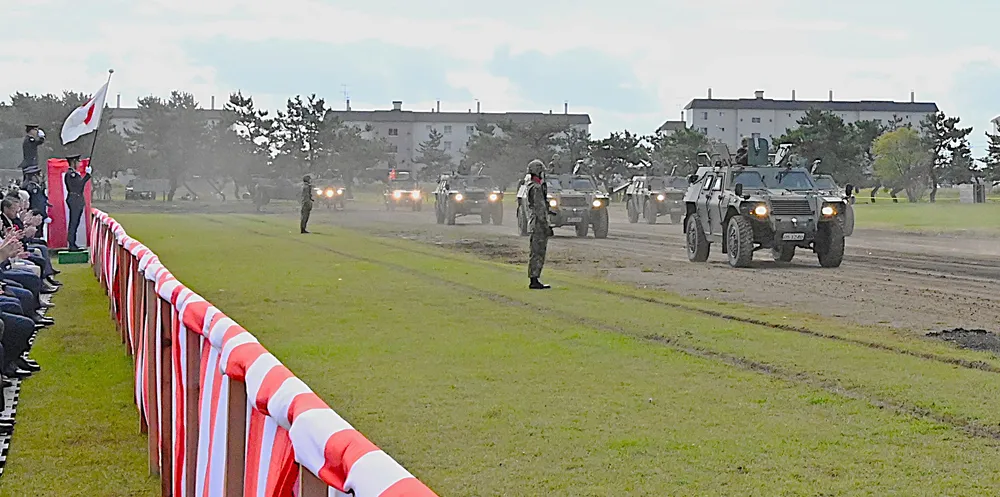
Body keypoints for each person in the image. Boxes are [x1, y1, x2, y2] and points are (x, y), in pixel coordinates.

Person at [525, 159, 553, 289]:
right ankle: (534, 280)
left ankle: (535, 278)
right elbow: (540, 209)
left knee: (537, 252)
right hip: (538, 225)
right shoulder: (536, 188)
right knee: (537, 252)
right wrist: (546, 226)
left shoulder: (534, 186)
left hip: (536, 223)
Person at [64, 154, 91, 251]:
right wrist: (87, 176)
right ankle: (71, 243)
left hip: (77, 198)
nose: (79, 164)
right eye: (78, 162)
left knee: (76, 222)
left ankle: (73, 242)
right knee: (74, 222)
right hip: (74, 198)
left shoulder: (74, 173)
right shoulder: (72, 174)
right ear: (73, 162)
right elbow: (79, 186)